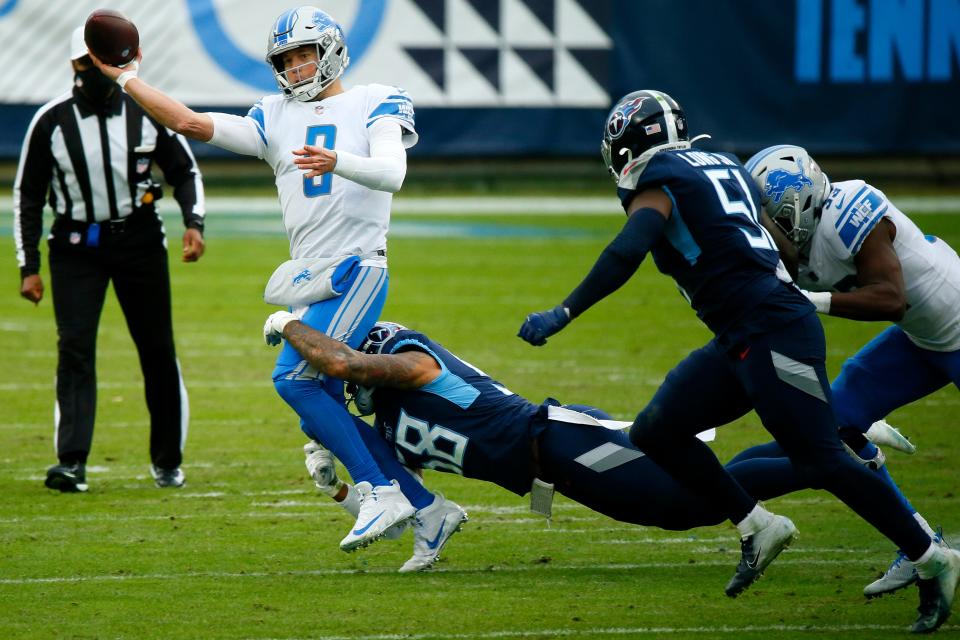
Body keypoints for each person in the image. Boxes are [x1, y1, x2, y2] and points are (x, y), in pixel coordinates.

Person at [515, 90, 960, 633]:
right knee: (659, 429)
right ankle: (757, 523)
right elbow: (773, 246)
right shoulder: (722, 163)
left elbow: (628, 249)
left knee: (822, 458)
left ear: (633, 142)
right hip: (745, 332)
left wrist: (565, 311)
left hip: (773, 330)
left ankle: (929, 555)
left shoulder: (658, 180)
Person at [89, 5, 428, 550]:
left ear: (332, 51)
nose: (295, 68)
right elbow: (188, 122)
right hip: (311, 277)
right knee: (314, 409)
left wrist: (336, 159)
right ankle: (426, 509)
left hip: (357, 266)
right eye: (286, 60)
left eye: (304, 55)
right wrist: (126, 77)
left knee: (294, 380)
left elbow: (394, 173)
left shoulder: (375, 100)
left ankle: (381, 490)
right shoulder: (273, 115)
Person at [265, 316, 951, 584]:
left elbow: (344, 367)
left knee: (685, 503)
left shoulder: (412, 365)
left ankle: (827, 451)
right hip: (551, 465)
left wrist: (288, 324)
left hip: (559, 438)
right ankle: (825, 452)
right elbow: (391, 495)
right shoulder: (389, 421)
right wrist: (329, 470)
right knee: (686, 504)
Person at [746, 144, 960, 597]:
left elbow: (890, 297)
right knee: (834, 423)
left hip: (953, 324)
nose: (768, 231)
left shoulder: (851, 208)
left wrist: (811, 301)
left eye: (771, 219)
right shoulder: (795, 248)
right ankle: (921, 544)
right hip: (922, 339)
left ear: (796, 206)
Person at [14, 26, 205, 493]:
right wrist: (29, 266)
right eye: (87, 64)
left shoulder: (146, 112)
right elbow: (28, 195)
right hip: (75, 247)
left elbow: (185, 171)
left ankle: (167, 460)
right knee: (74, 349)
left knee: (157, 348)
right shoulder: (50, 121)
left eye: (102, 63)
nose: (96, 73)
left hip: (138, 241)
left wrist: (194, 222)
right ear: (75, 66)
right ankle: (72, 461)